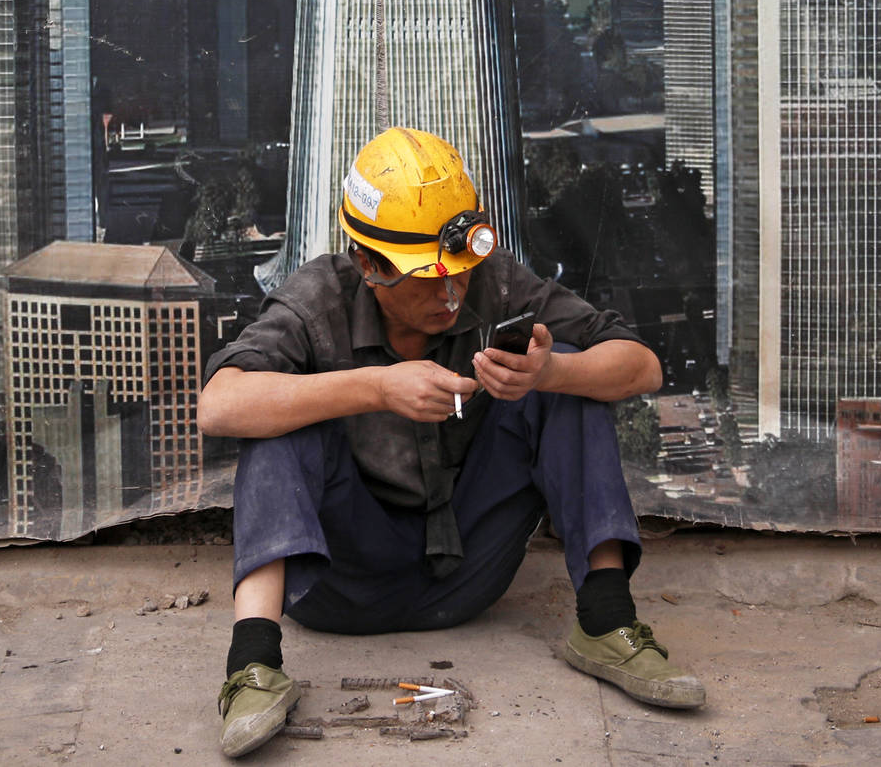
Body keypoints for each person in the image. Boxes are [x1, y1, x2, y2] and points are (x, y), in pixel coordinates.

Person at [198, 126, 705, 757]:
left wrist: (549, 372)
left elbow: (643, 367)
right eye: (426, 279)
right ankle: (251, 665)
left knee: (572, 372)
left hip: (468, 571)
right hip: (338, 583)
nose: (449, 293)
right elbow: (219, 406)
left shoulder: (495, 285)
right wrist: (375, 388)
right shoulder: (317, 301)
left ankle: (606, 621)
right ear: (368, 264)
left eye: (459, 274)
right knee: (277, 411)